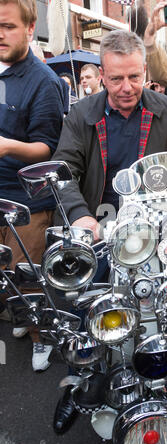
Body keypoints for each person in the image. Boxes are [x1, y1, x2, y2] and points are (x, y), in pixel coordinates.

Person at [50, 29, 167, 434]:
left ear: (145, 70)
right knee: (88, 313)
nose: (127, 87)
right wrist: (80, 216)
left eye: (134, 77)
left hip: (158, 230)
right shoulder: (83, 113)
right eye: (116, 79)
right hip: (101, 228)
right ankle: (82, 384)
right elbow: (63, 171)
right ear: (102, 74)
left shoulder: (164, 107)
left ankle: (165, 381)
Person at [0, 0, 64, 370]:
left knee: (28, 276)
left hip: (27, 202)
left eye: (7, 26)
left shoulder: (45, 81)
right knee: (6, 274)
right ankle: (22, 317)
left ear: (29, 26)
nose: (0, 34)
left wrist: (7, 146)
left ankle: (43, 337)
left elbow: (48, 148)